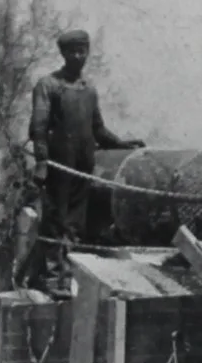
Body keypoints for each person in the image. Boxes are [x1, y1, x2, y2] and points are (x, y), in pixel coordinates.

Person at [26, 30, 143, 289]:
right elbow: (39, 126)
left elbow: (98, 130)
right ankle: (52, 279)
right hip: (59, 165)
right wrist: (43, 162)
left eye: (82, 51)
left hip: (82, 166)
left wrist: (122, 144)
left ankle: (69, 280)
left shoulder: (88, 90)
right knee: (55, 222)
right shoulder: (48, 85)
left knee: (76, 225)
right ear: (63, 54)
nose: (78, 56)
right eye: (72, 51)